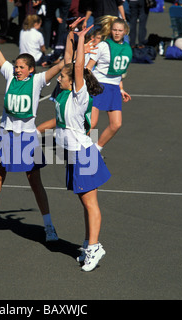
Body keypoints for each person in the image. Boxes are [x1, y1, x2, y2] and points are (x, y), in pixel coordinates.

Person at [0, 8, 64, 242]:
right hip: (6, 134)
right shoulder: (9, 76)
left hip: (27, 137)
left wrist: (75, 39)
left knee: (35, 182)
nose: (17, 68)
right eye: (16, 65)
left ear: (31, 69)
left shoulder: (38, 81)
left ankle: (49, 225)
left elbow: (63, 64)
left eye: (21, 66)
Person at [54, 18, 111, 271]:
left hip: (84, 154)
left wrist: (80, 42)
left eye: (62, 77)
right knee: (83, 202)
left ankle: (95, 247)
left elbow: (76, 68)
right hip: (73, 155)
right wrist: (71, 35)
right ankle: (89, 244)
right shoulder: (62, 93)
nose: (59, 78)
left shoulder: (79, 95)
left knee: (90, 203)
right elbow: (69, 63)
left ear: (72, 81)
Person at [86, 16, 132, 152]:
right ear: (110, 31)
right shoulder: (103, 46)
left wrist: (121, 89)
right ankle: (78, 150)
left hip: (114, 88)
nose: (117, 33)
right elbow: (88, 68)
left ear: (125, 31)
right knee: (92, 124)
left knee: (116, 124)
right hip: (98, 85)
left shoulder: (127, 49)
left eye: (120, 30)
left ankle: (96, 149)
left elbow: (119, 73)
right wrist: (87, 85)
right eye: (114, 30)